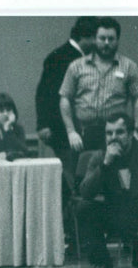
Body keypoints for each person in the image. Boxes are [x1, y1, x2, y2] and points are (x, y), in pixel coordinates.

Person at [59, 16, 138, 153]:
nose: (106, 43)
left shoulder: (129, 67)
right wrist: (71, 132)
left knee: (114, 173)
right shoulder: (76, 66)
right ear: (95, 39)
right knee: (85, 173)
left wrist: (137, 131)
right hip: (83, 135)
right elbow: (65, 98)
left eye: (111, 39)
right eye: (102, 38)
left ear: (117, 40)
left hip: (115, 135)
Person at [76, 113, 138, 268]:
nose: (113, 137)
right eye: (109, 133)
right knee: (84, 208)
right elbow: (85, 192)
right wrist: (106, 164)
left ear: (129, 134)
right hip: (114, 213)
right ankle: (101, 263)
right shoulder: (100, 157)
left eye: (119, 132)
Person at [35, 17, 98, 163]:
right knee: (73, 172)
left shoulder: (77, 57)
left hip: (78, 130)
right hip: (62, 131)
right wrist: (43, 124)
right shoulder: (59, 58)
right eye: (95, 38)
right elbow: (44, 93)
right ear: (84, 37)